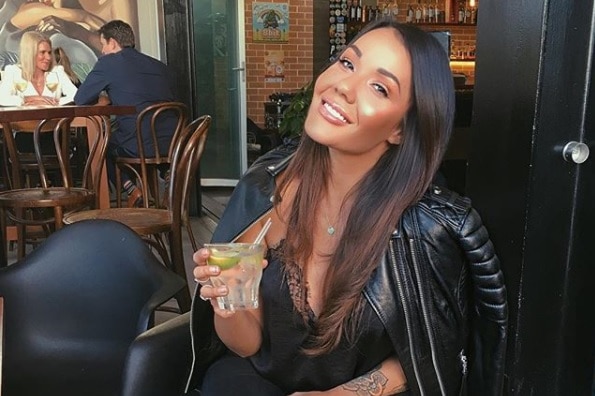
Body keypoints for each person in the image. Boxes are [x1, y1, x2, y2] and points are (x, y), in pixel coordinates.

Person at [190, 19, 508, 396]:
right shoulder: (266, 187)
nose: (343, 86)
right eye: (346, 63)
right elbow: (249, 344)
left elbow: (429, 356)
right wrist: (227, 302)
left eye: (379, 87)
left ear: (401, 129)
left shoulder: (425, 228)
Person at [73, 20, 178, 208]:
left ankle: (132, 190)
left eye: (103, 45)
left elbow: (81, 99)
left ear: (112, 43)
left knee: (103, 144)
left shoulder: (109, 63)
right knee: (144, 134)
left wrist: (104, 98)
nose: (102, 51)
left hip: (138, 145)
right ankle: (168, 174)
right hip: (172, 143)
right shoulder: (159, 66)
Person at [0, 31, 78, 153]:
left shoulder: (57, 71)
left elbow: (75, 95)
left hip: (54, 134)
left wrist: (55, 101)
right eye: (42, 52)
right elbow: (2, 98)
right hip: (24, 135)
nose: (48, 57)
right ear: (30, 54)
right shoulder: (13, 72)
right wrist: (26, 99)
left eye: (49, 52)